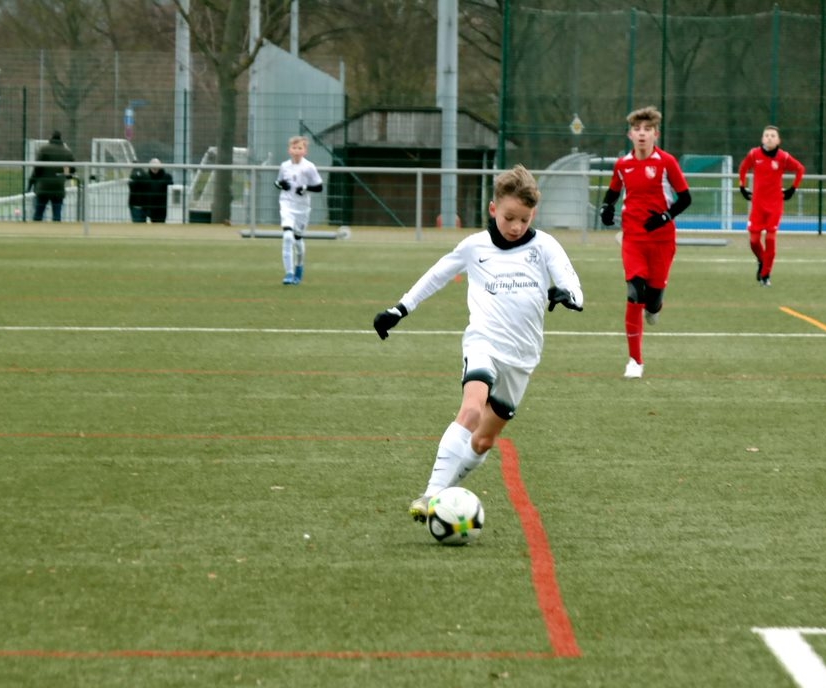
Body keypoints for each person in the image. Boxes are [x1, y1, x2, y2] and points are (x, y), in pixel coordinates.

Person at [371, 165, 584, 523]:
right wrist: (399, 309)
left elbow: (573, 285)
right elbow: (437, 275)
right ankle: (431, 494)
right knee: (470, 410)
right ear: (493, 209)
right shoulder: (474, 247)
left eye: (524, 219)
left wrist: (568, 296)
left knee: (483, 442)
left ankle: (445, 493)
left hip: (522, 358)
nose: (516, 226)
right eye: (509, 217)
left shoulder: (544, 245)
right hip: (483, 342)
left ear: (533, 215)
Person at [598, 106, 692, 379]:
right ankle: (635, 360)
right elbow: (613, 192)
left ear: (655, 134)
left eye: (647, 129)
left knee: (652, 301)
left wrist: (664, 217)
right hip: (633, 239)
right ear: (630, 134)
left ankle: (655, 306)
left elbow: (685, 198)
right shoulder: (622, 165)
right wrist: (606, 208)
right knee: (634, 292)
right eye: (637, 129)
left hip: (662, 240)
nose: (642, 134)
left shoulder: (666, 162)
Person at [738, 125, 805, 287]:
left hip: (775, 204)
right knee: (754, 241)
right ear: (762, 139)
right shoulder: (754, 154)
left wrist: (793, 188)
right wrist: (742, 186)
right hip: (758, 204)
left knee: (770, 238)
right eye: (766, 135)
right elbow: (743, 167)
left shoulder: (783, 157)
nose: (769, 138)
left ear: (778, 140)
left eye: (773, 136)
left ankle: (766, 275)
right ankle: (762, 260)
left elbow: (800, 169)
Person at [273, 136, 324, 285]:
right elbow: (278, 182)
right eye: (294, 148)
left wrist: (305, 188)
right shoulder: (284, 166)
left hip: (302, 208)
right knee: (287, 237)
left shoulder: (309, 167)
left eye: (300, 148)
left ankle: (299, 267)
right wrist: (281, 185)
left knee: (297, 239)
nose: (296, 151)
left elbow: (319, 187)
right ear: (289, 150)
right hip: (286, 205)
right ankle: (289, 273)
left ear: (305, 151)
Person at [27, 130, 75, 222]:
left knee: (38, 213)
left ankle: (36, 228)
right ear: (61, 138)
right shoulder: (67, 152)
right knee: (57, 214)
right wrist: (66, 176)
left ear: (51, 137)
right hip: (58, 187)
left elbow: (37, 168)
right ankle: (57, 229)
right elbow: (71, 169)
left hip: (43, 186)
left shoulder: (43, 149)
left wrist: (31, 182)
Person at [143, 159, 174, 223]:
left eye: (156, 166)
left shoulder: (167, 177)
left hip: (162, 207)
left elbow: (171, 191)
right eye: (153, 166)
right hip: (150, 207)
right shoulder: (146, 177)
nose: (155, 168)